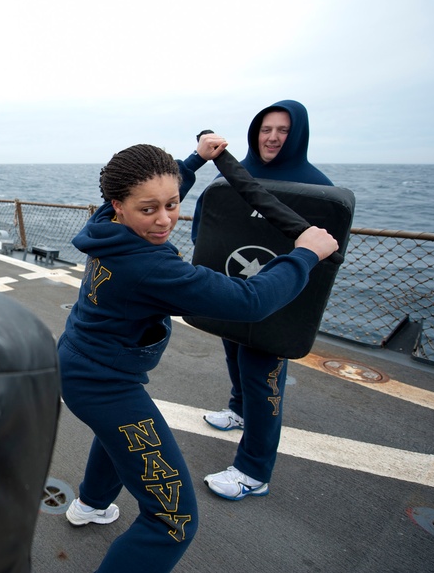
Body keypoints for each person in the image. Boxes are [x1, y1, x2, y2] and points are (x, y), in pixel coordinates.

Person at [57, 144, 337, 572]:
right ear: (120, 205)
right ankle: (98, 506)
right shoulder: (152, 267)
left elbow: (155, 194)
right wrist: (305, 254)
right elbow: (251, 300)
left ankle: (92, 505)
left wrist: (194, 160)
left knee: (119, 436)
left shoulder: (105, 223)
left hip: (78, 360)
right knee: (172, 520)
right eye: (149, 210)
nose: (165, 219)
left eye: (172, 204)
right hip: (105, 384)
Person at [177, 100, 335, 501]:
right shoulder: (237, 173)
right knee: (234, 352)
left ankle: (254, 471)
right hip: (235, 286)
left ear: (297, 134)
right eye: (266, 129)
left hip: (279, 302)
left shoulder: (318, 188)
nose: (273, 137)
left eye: (283, 130)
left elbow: (323, 254)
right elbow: (207, 225)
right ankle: (238, 409)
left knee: (264, 382)